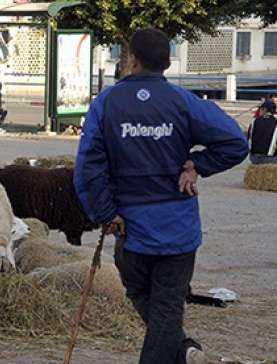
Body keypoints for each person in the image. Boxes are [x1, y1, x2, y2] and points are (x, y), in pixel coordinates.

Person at [74, 28, 248, 364]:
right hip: (179, 229)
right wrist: (198, 165)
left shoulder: (106, 103)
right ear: (167, 64)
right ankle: (183, 351)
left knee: (142, 295)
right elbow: (236, 142)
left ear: (132, 60)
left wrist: (105, 213)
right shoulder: (184, 102)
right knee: (167, 307)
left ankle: (182, 351)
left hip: (130, 227)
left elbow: (87, 169)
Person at [248, 99, 277, 164]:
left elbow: (249, 138)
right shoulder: (275, 123)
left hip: (254, 157)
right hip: (270, 157)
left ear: (265, 109)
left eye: (260, 109)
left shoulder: (254, 121)